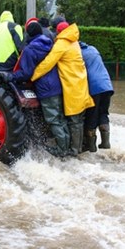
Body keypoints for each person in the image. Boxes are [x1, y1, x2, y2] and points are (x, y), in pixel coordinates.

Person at [31, 21, 95, 156]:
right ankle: (76, 149)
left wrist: (33, 76)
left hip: (71, 87)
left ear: (58, 31)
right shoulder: (75, 42)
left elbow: (48, 63)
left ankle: (71, 151)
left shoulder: (62, 44)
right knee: (78, 120)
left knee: (73, 121)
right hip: (81, 84)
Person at [9, 20, 70, 157]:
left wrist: (11, 75)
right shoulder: (50, 45)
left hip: (46, 89)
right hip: (58, 86)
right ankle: (67, 145)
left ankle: (62, 150)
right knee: (60, 117)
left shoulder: (30, 49)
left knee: (53, 119)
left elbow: (26, 73)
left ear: (28, 33)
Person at [80, 41, 114, 152]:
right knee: (103, 112)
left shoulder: (78, 53)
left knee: (92, 115)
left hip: (94, 87)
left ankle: (91, 146)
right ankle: (105, 142)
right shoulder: (93, 49)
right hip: (107, 85)